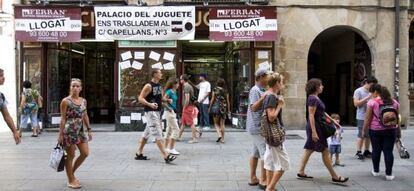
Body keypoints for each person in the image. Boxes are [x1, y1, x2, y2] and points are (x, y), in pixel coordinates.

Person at [297, 78, 349, 183]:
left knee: (309, 149)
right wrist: (314, 132)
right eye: (321, 85)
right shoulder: (313, 98)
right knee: (324, 150)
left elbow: (322, 112)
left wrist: (333, 121)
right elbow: (311, 115)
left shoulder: (316, 98)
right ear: (316, 87)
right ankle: (334, 176)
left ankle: (301, 171)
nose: (322, 86)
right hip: (315, 127)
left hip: (317, 126)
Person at [134, 69, 177, 163]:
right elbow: (140, 98)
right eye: (160, 72)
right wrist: (150, 104)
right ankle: (166, 156)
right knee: (158, 135)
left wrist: (167, 100)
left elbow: (160, 99)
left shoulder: (159, 86)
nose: (161, 74)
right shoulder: (148, 86)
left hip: (157, 112)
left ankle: (139, 153)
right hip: (150, 112)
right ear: (155, 74)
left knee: (146, 134)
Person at [58, 78, 92, 189]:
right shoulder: (65, 101)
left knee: (85, 153)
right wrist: (60, 134)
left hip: (80, 130)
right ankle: (71, 180)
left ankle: (71, 173)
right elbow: (63, 118)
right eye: (73, 86)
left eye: (77, 86)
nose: (75, 88)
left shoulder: (83, 101)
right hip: (69, 131)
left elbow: (85, 115)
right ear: (70, 87)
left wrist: (89, 129)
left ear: (81, 88)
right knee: (71, 155)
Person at [362, 84, 399, 181]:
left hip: (375, 130)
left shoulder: (372, 102)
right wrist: (398, 132)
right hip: (391, 130)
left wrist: (364, 130)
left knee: (376, 150)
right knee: (388, 152)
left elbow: (367, 118)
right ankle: (389, 174)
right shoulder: (394, 102)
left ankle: (376, 171)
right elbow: (397, 119)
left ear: (378, 92)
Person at [262, 72, 290, 191]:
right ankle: (270, 188)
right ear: (277, 83)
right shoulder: (272, 97)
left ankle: (270, 187)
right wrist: (280, 105)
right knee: (284, 164)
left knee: (269, 161)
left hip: (269, 135)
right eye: (282, 82)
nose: (283, 84)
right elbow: (271, 117)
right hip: (275, 135)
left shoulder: (271, 96)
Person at [247, 68, 270, 189]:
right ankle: (263, 180)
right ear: (261, 77)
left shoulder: (261, 89)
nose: (268, 79)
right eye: (267, 76)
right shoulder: (255, 90)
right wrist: (263, 98)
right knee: (265, 153)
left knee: (255, 152)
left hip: (256, 126)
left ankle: (252, 178)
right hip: (256, 127)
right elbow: (254, 108)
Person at [353, 76, 378, 160]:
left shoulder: (373, 92)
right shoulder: (358, 91)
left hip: (372, 116)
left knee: (369, 135)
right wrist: (368, 97)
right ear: (366, 83)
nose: (372, 87)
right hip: (361, 116)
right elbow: (356, 104)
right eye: (371, 85)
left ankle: (366, 150)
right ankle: (358, 151)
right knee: (361, 134)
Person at [177, 74, 201, 142]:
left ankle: (194, 139)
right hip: (188, 106)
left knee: (191, 123)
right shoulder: (187, 86)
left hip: (188, 107)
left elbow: (187, 99)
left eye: (181, 79)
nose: (180, 80)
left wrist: (184, 107)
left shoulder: (186, 87)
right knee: (183, 123)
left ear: (183, 80)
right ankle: (179, 136)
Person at [0, 68, 20, 144]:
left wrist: (15, 131)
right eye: (1, 76)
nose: (3, 78)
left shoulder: (1, 96)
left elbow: (7, 116)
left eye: (3, 75)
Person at [209, 78, 230, 143]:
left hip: (216, 107)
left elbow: (212, 99)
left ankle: (219, 134)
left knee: (215, 123)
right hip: (223, 107)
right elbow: (228, 101)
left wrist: (210, 107)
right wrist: (229, 110)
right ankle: (223, 139)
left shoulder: (215, 89)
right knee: (222, 124)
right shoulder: (225, 90)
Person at [163, 78, 180, 155]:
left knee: (169, 130)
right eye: (177, 84)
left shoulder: (174, 91)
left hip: (172, 112)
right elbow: (163, 101)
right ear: (174, 84)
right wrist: (169, 109)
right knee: (176, 129)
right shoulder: (169, 91)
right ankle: (171, 148)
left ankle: (165, 148)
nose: (178, 85)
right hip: (169, 112)